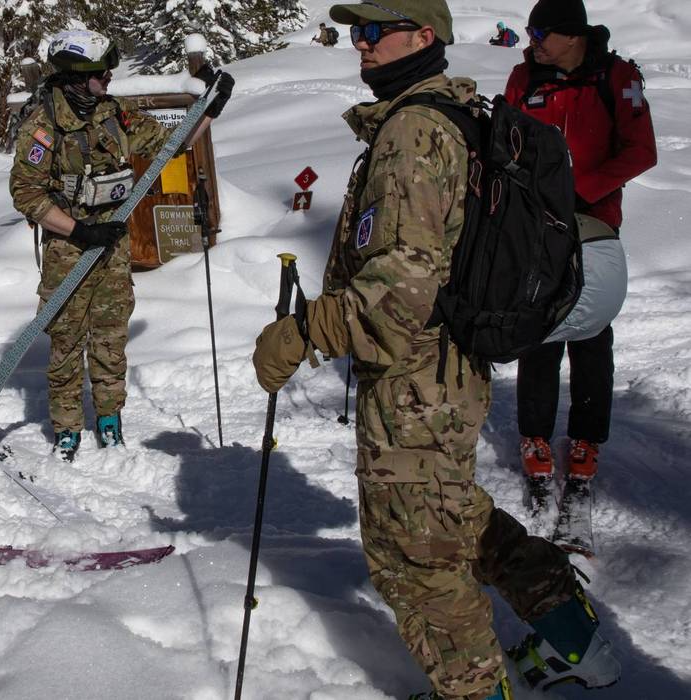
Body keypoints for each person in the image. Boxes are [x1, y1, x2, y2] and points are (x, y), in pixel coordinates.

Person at [252, 2, 620, 698]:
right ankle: (579, 645)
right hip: (444, 370)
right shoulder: (452, 117)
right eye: (354, 33)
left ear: (425, 37)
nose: (359, 45)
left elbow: (401, 290)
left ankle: (476, 690)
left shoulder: (413, 131)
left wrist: (302, 333)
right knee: (457, 518)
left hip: (415, 378)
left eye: (374, 30)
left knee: (413, 558)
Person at [9, 29, 234, 460]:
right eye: (100, 72)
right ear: (77, 76)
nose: (109, 77)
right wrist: (77, 231)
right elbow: (27, 195)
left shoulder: (116, 114)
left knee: (111, 336)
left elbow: (173, 144)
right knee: (67, 341)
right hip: (68, 248)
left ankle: (110, 419)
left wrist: (211, 110)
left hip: (113, 244)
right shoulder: (43, 127)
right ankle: (68, 427)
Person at [506, 0, 656, 497]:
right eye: (531, 32)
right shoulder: (524, 78)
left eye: (543, 32)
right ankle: (535, 436)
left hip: (594, 221)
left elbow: (640, 151)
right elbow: (504, 144)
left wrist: (581, 191)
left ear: (573, 34)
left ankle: (588, 438)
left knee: (592, 328)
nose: (534, 41)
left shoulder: (615, 77)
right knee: (540, 326)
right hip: (536, 224)